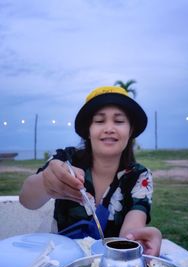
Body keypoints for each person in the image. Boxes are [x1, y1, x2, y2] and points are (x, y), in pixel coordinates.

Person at [19, 86, 162, 256]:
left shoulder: (139, 175)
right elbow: (27, 200)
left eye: (119, 121)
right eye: (100, 121)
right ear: (88, 130)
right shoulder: (65, 159)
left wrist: (135, 239)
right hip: (59, 261)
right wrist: (46, 183)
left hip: (109, 265)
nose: (109, 128)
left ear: (130, 130)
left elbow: (132, 228)